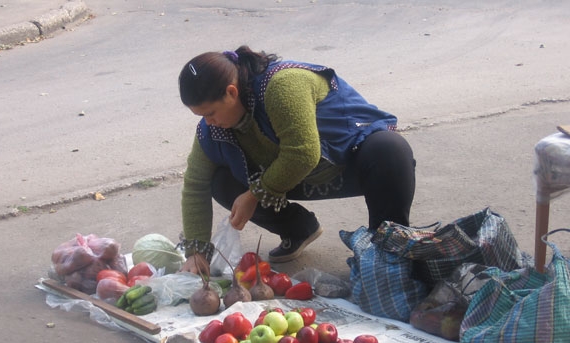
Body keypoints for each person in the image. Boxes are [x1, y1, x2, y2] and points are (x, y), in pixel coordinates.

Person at [178, 45, 416, 275]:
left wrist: (254, 195)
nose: (208, 122)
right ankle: (299, 229)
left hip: (347, 163)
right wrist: (196, 251)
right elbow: (195, 184)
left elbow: (302, 153)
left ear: (231, 92)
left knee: (389, 149)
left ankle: (387, 250)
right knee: (220, 182)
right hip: (294, 179)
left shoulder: (282, 85)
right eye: (201, 116)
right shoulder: (213, 130)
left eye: (210, 113)